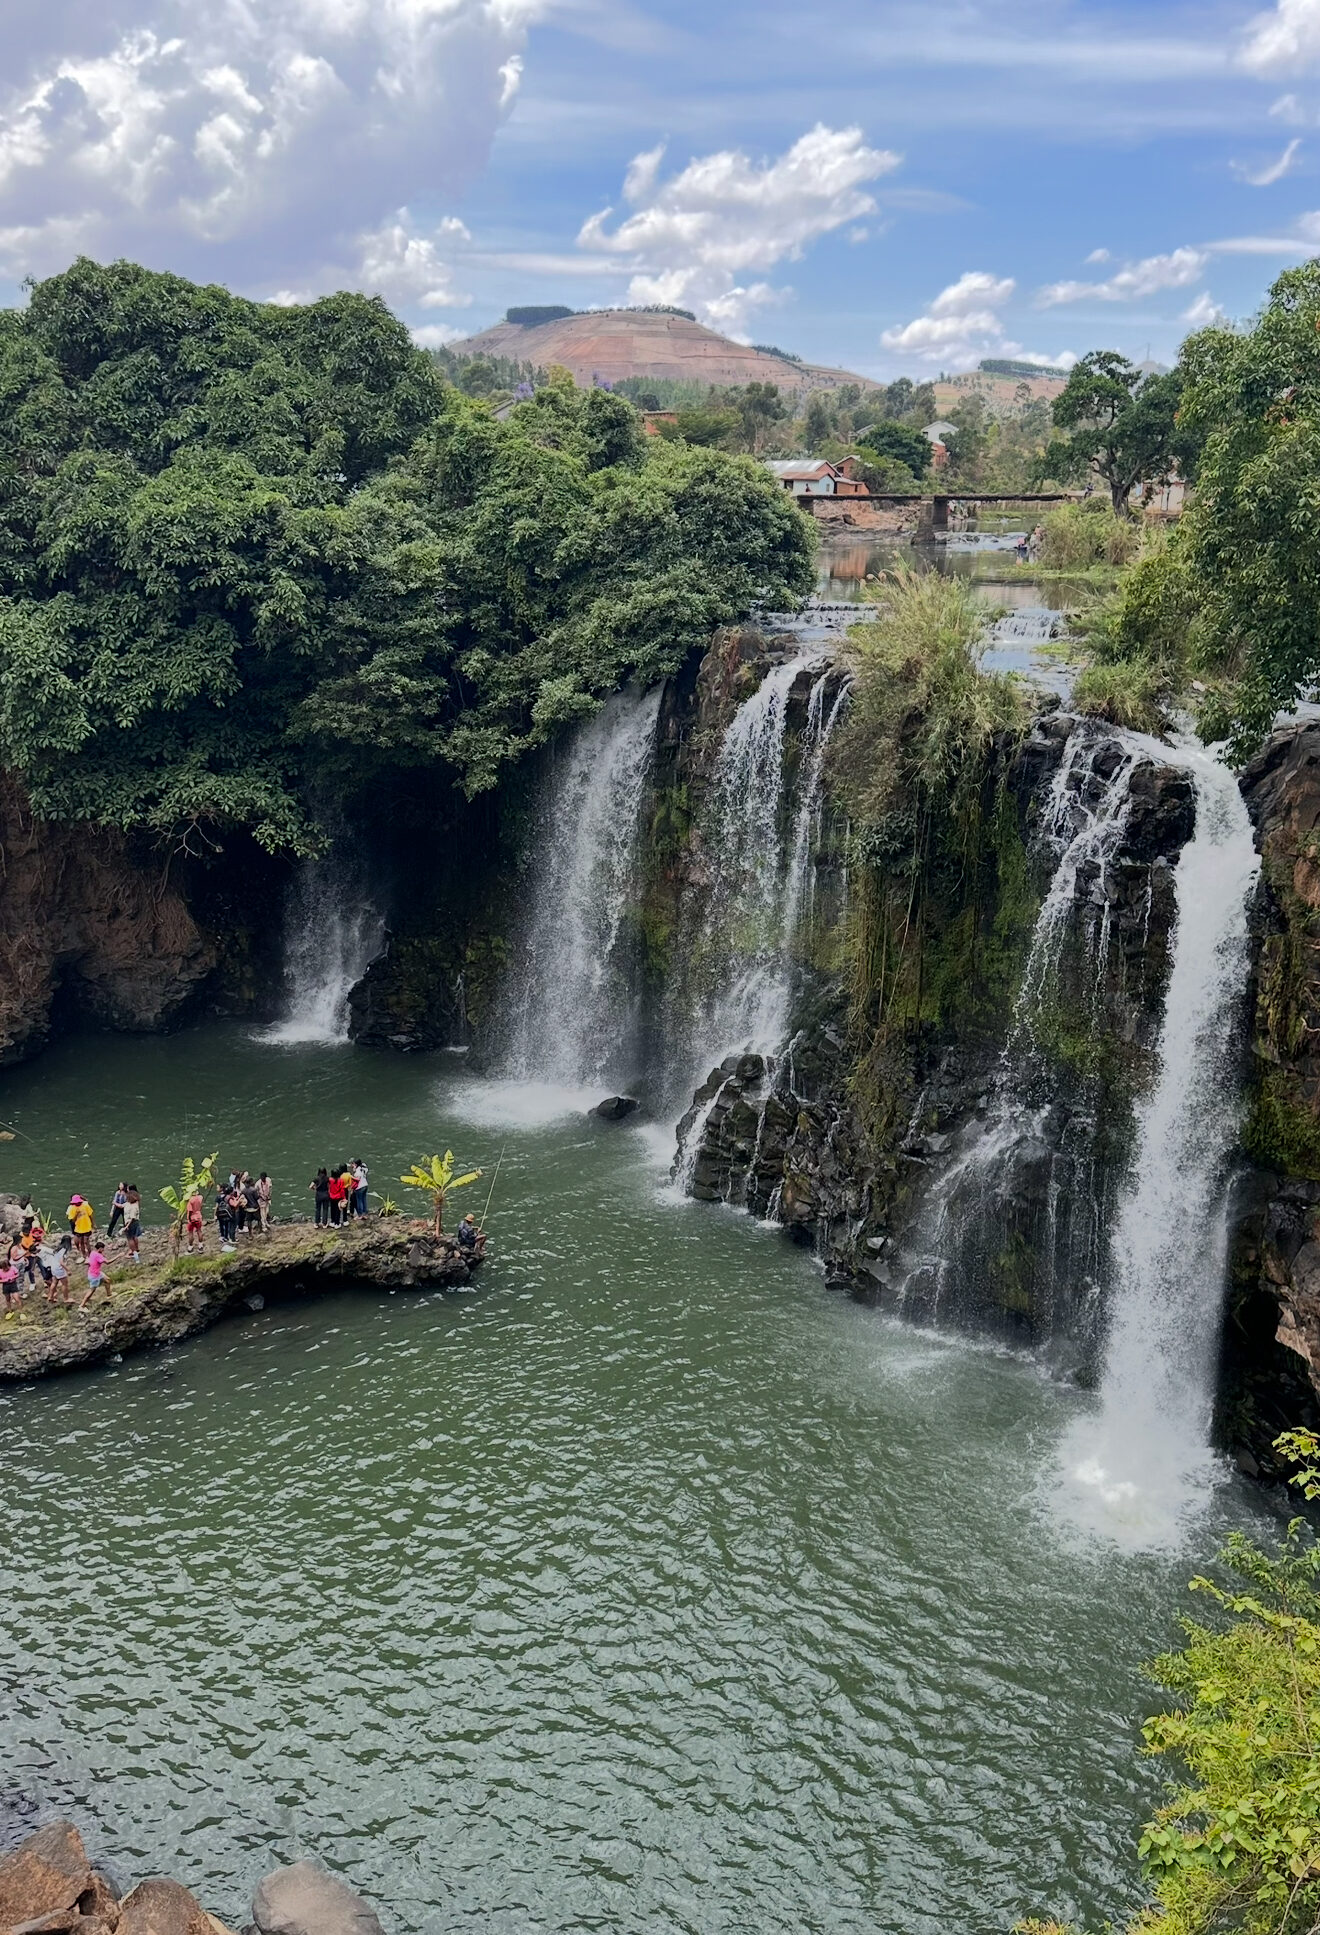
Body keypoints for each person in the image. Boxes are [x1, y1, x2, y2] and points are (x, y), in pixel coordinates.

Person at [44, 1236, 73, 1307]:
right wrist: (68, 1270)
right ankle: (66, 1298)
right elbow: (61, 1262)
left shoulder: (58, 1248)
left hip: (53, 1267)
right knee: (64, 1284)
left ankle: (50, 1297)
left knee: (54, 1282)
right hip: (59, 1269)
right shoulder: (64, 1251)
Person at [79, 1243, 108, 1311]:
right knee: (91, 1291)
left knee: (107, 1279)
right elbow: (108, 1262)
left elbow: (88, 1261)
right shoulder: (98, 1256)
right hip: (94, 1275)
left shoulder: (92, 1253)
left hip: (94, 1273)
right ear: (100, 1248)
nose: (103, 1250)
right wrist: (118, 1256)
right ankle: (82, 1305)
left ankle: (109, 1294)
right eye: (103, 1248)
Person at [122, 1186, 142, 1262]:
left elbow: (132, 1218)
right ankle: (136, 1250)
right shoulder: (134, 1204)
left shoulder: (133, 1207)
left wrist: (126, 1226)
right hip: (135, 1222)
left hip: (131, 1223)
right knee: (134, 1236)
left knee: (130, 1238)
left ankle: (134, 1253)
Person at [185, 1186, 205, 1255]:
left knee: (190, 1232)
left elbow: (190, 1211)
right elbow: (201, 1206)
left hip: (192, 1218)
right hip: (198, 1216)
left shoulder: (191, 1200)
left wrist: (189, 1218)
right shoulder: (200, 1197)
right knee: (199, 1231)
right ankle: (200, 1245)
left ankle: (190, 1247)